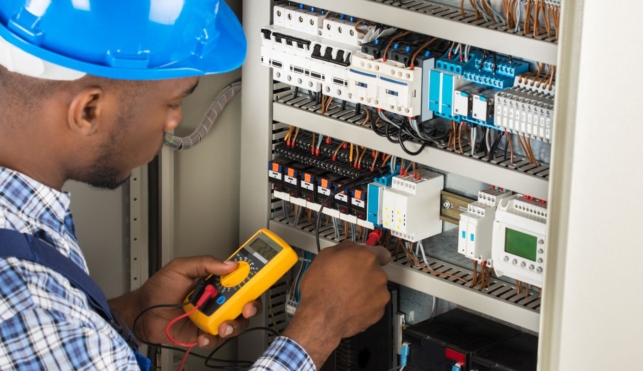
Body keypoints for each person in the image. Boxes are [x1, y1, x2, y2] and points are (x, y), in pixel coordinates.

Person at [0, 1, 391, 370]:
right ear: (88, 111)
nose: (174, 121)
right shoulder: (27, 303)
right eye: (173, 103)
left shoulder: (21, 225)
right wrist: (322, 324)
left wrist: (130, 315)